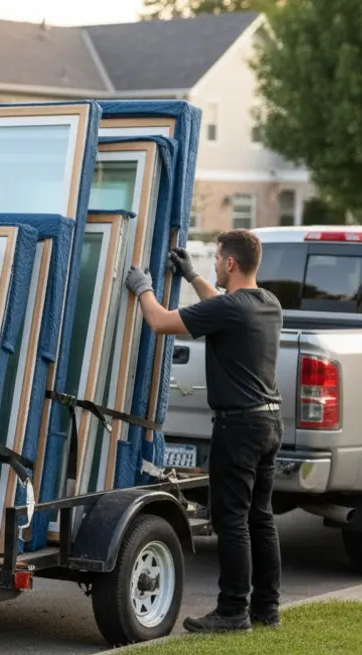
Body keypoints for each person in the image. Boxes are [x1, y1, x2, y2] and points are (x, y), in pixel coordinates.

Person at [124, 230, 283, 633]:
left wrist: (142, 288)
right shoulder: (267, 304)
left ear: (231, 263)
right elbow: (221, 305)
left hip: (239, 426)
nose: (214, 263)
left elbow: (160, 322)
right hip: (268, 423)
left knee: (231, 521)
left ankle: (233, 612)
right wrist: (193, 276)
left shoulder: (233, 309)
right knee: (260, 517)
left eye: (215, 258)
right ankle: (267, 608)